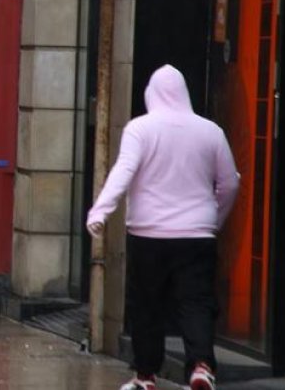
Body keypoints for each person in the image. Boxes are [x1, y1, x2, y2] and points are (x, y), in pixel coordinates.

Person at [86, 65, 239, 390]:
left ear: (150, 95)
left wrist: (101, 211)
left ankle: (145, 376)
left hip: (148, 234)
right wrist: (214, 218)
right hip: (197, 235)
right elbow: (229, 183)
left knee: (147, 305)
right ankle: (200, 366)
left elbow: (123, 171)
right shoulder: (210, 131)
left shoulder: (140, 129)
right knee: (196, 303)